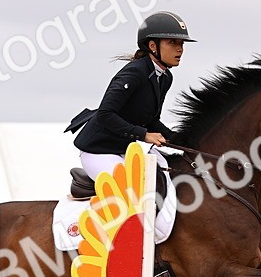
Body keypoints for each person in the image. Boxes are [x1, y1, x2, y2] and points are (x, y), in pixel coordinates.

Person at [67, 11, 196, 181]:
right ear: (152, 46)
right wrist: (144, 135)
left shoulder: (165, 77)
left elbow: (150, 120)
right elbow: (105, 114)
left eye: (181, 43)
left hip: (124, 150)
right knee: (133, 189)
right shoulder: (135, 73)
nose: (180, 49)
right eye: (172, 42)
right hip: (97, 151)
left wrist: (178, 140)